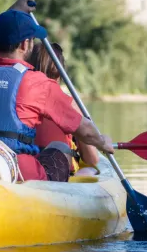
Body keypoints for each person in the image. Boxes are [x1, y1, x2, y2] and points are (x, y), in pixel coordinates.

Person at [0, 0, 113, 181]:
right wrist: (102, 142)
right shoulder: (36, 82)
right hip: (16, 172)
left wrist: (13, 10)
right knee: (59, 150)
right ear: (25, 44)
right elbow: (83, 129)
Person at [28, 40, 101, 181]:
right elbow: (92, 159)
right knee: (90, 169)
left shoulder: (20, 99)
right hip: (58, 172)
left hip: (26, 168)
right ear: (60, 72)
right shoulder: (70, 104)